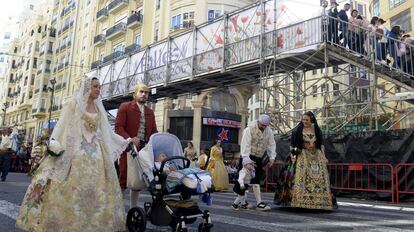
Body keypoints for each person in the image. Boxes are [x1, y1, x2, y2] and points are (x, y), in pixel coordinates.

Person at [16, 76, 130, 231]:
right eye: (96, 86)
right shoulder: (73, 104)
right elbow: (61, 126)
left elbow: (107, 132)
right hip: (76, 150)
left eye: (99, 87)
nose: (98, 89)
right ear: (88, 87)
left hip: (97, 153)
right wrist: (55, 144)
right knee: (71, 187)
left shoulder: (98, 108)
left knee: (100, 188)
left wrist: (125, 140)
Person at [115, 83, 158, 208]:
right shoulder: (125, 107)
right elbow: (118, 127)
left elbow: (154, 131)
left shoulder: (150, 112)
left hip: (144, 149)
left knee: (137, 180)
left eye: (146, 92)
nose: (144, 94)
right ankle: (116, 208)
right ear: (135, 94)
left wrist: (157, 144)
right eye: (141, 92)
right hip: (127, 147)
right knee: (123, 177)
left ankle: (133, 209)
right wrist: (129, 139)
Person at [288, 111, 334, 210]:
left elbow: (321, 143)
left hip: (316, 156)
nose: (305, 121)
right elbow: (293, 144)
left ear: (311, 120)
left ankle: (320, 201)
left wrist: (323, 155)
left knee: (320, 177)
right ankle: (301, 200)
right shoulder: (298, 130)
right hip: (303, 155)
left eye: (307, 120)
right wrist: (296, 152)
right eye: (303, 119)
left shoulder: (316, 129)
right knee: (303, 176)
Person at [240, 114, 276, 211]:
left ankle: (258, 203)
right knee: (244, 181)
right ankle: (242, 202)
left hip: (258, 157)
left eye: (265, 125)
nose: (263, 127)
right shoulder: (249, 130)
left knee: (256, 180)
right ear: (258, 122)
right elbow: (245, 145)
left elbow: (271, 144)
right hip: (248, 157)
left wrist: (272, 157)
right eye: (262, 125)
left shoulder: (269, 131)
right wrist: (247, 161)